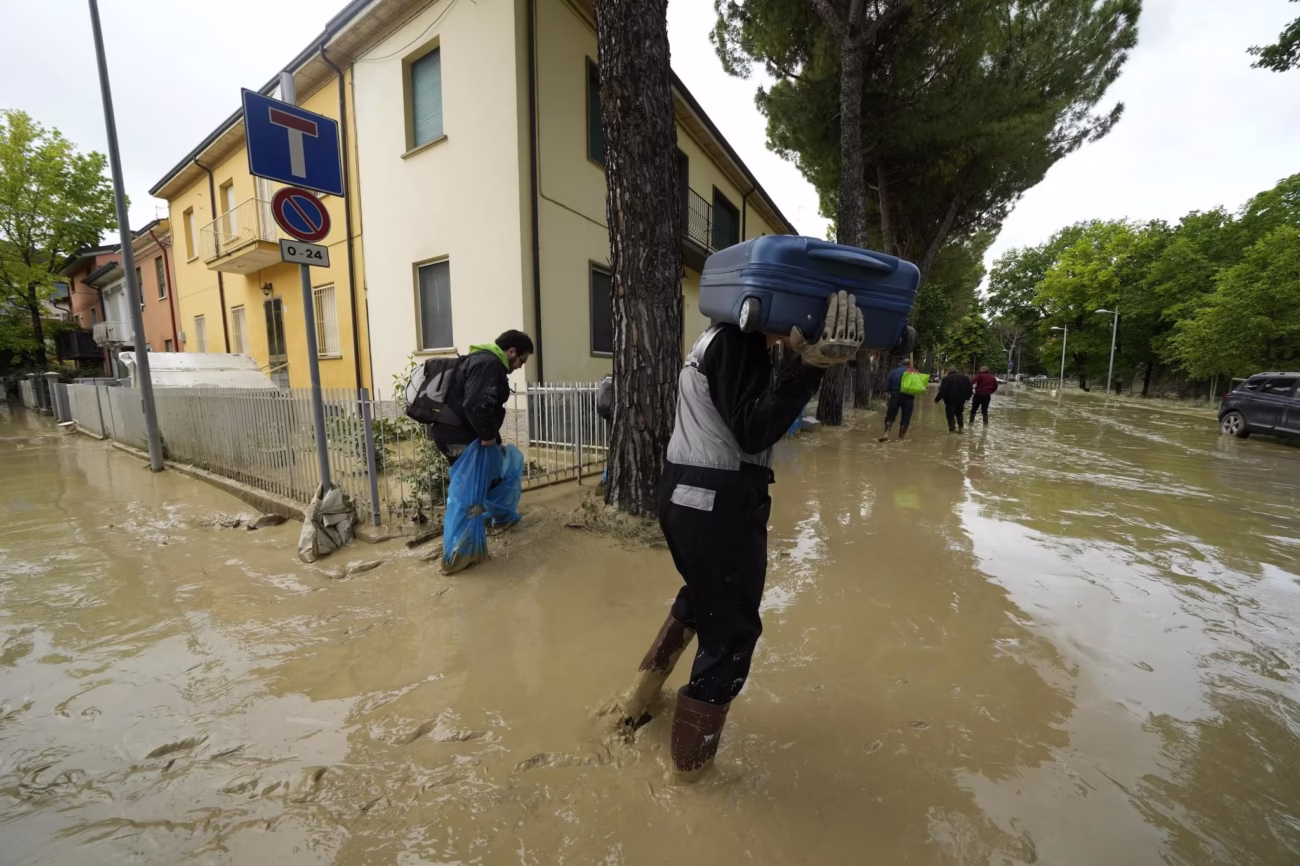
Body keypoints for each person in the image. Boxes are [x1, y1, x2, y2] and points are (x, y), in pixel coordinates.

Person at [618, 291, 864, 779]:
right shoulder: (738, 342)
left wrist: (797, 364)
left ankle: (634, 706)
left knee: (701, 598)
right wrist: (810, 370)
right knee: (730, 634)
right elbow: (754, 430)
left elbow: (743, 415)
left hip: (687, 497)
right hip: (717, 502)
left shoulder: (718, 339)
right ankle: (688, 776)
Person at [431, 330, 533, 466]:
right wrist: (489, 438)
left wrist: (493, 439)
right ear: (512, 351)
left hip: (454, 433)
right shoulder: (489, 364)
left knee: (474, 481)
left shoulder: (481, 359)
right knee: (474, 483)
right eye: (522, 360)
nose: (520, 366)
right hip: (459, 436)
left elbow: (482, 403)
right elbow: (476, 404)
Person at [877, 359, 917, 442]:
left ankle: (886, 433)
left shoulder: (893, 372)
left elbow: (887, 388)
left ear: (901, 364)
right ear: (910, 364)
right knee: (906, 418)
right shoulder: (914, 372)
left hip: (895, 395)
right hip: (909, 397)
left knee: (890, 416)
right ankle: (901, 438)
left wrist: (888, 400)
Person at [935, 367, 973, 433]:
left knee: (950, 415)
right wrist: (967, 398)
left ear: (949, 371)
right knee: (959, 414)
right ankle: (961, 429)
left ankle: (952, 431)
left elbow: (943, 390)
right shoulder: (965, 378)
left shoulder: (947, 378)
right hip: (961, 400)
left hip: (950, 400)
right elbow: (970, 389)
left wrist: (937, 399)